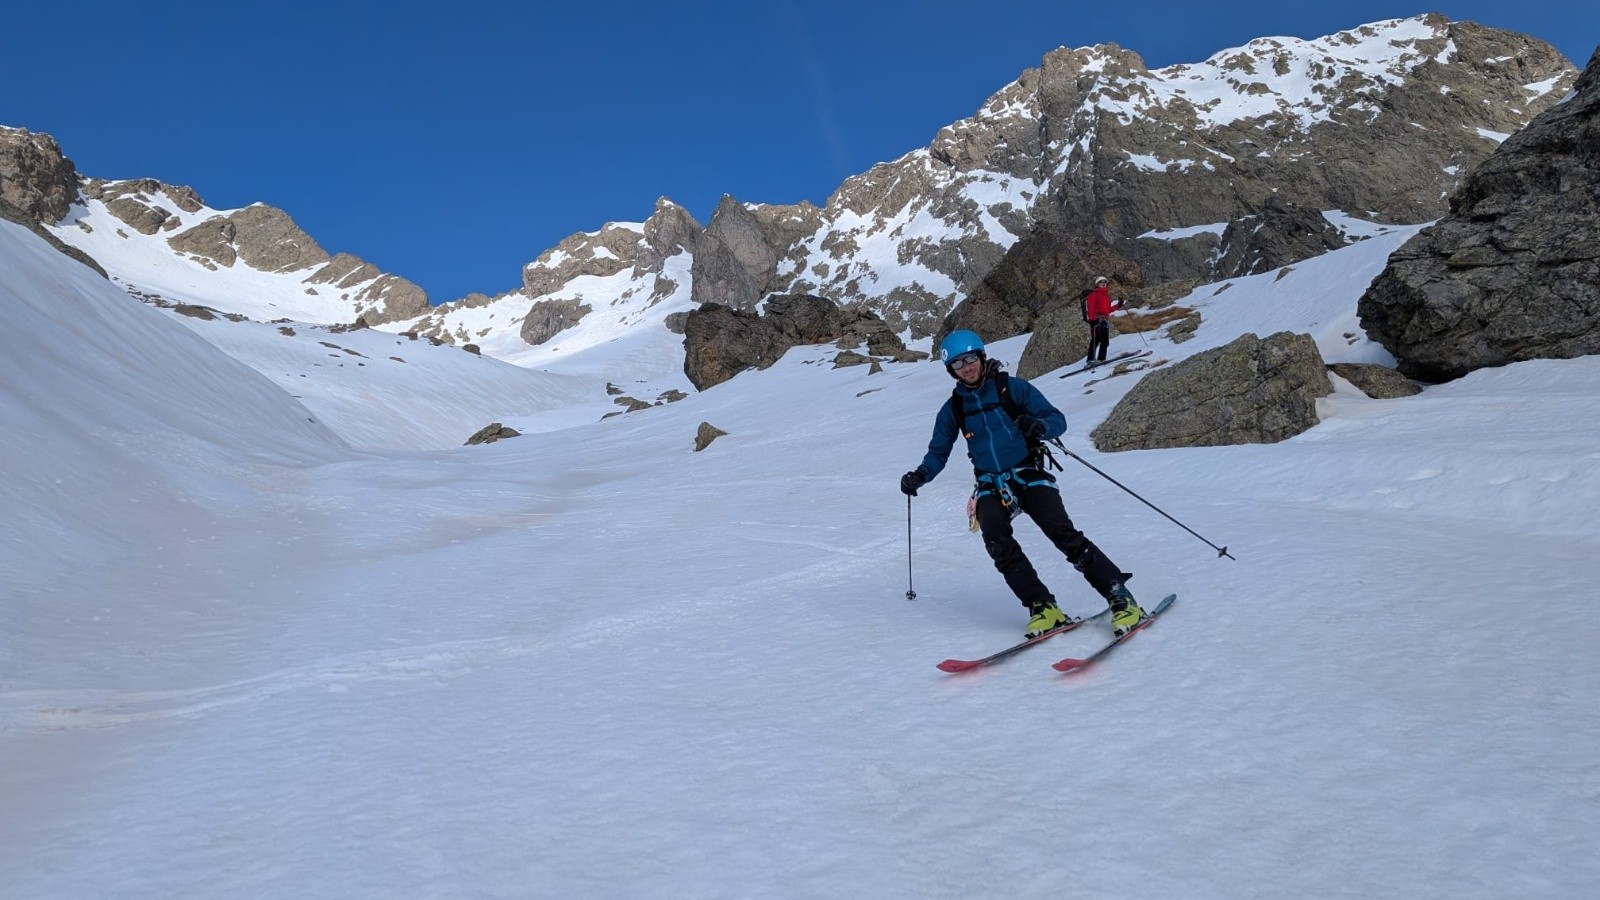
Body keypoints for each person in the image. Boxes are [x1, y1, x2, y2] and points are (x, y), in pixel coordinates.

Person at [899, 330, 1146, 638]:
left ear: (981, 357)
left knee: (1062, 534)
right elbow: (939, 451)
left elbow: (1057, 419)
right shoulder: (954, 409)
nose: (967, 367)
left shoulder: (1011, 389)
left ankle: (1119, 595)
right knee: (997, 542)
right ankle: (1042, 606)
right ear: (952, 371)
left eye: (971, 358)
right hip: (990, 485)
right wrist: (920, 475)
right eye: (958, 363)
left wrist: (1039, 426)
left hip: (1028, 474)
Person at [1081, 276, 1122, 365]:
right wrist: (1093, 319)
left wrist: (1118, 305)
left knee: (1105, 341)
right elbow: (1090, 308)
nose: (1103, 283)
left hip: (1104, 320)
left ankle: (1101, 359)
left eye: (1105, 282)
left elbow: (1108, 310)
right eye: (1101, 282)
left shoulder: (1106, 296)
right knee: (1096, 340)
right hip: (1095, 320)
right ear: (1097, 285)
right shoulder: (1093, 295)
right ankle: (1090, 360)